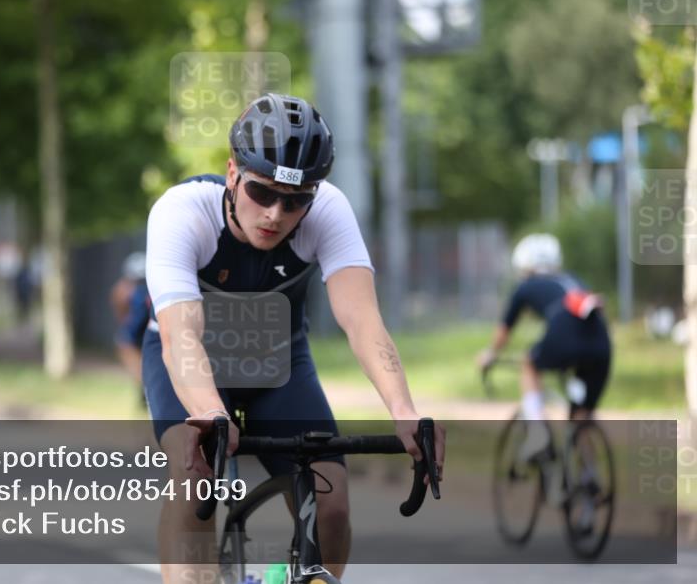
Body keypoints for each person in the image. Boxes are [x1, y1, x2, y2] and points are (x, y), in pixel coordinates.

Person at [142, 93, 445, 583]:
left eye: (296, 200)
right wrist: (211, 412)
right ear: (232, 173)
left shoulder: (329, 210)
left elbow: (363, 319)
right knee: (195, 478)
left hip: (276, 363)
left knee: (332, 502)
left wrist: (404, 411)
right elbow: (181, 337)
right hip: (190, 364)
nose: (276, 214)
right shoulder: (183, 212)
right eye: (262, 193)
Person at [477, 233, 611, 459]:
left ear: (523, 265)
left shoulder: (526, 286)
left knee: (530, 363)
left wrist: (490, 354)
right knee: (581, 416)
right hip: (601, 343)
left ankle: (537, 433)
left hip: (564, 334)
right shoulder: (573, 280)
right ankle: (589, 477)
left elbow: (504, 330)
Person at [109, 252, 149, 399]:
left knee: (124, 346)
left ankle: (144, 385)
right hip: (148, 329)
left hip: (136, 331)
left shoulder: (123, 288)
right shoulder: (154, 285)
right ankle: (144, 387)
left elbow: (120, 311)